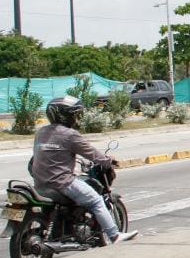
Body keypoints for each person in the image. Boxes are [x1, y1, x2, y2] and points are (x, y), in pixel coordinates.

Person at [31, 96, 136, 245]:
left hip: (40, 182)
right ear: (65, 115)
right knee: (96, 201)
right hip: (62, 183)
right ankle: (114, 235)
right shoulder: (70, 135)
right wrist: (108, 160)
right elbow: (92, 154)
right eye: (74, 114)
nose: (76, 118)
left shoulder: (41, 132)